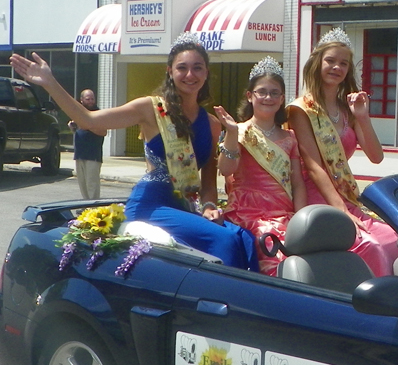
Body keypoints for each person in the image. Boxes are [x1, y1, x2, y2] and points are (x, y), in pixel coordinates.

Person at [10, 33, 258, 271]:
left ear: (206, 73)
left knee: (243, 237)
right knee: (224, 240)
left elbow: (208, 181)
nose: (190, 74)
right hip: (150, 205)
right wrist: (50, 83)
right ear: (169, 71)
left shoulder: (213, 124)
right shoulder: (150, 109)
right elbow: (88, 120)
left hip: (184, 206)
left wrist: (210, 205)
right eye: (182, 67)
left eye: (198, 67)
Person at [287, 28, 398, 277]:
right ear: (317, 63)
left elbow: (376, 156)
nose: (336, 67)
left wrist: (363, 116)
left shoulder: (348, 108)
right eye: (330, 61)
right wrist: (342, 211)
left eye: (343, 63)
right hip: (317, 195)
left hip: (346, 194)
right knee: (370, 246)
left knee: (394, 240)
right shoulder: (301, 109)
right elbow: (314, 166)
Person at [214, 57, 307, 275]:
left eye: (275, 93)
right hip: (250, 214)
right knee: (276, 256)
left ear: (282, 98)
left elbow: (298, 184)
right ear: (250, 96)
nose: (268, 97)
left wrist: (302, 221)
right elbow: (226, 170)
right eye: (262, 92)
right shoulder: (239, 131)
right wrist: (231, 133)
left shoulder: (290, 137)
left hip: (284, 213)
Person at [68, 89, 106, 200]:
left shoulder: (98, 114)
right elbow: (79, 131)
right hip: (80, 154)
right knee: (82, 183)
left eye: (92, 99)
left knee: (92, 184)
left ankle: (94, 207)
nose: (90, 101)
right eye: (88, 99)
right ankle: (86, 206)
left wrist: (87, 125)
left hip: (93, 155)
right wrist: (73, 127)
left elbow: (103, 132)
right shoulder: (79, 114)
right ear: (81, 100)